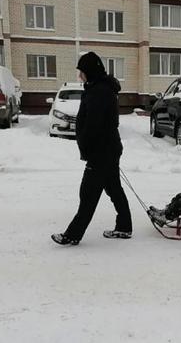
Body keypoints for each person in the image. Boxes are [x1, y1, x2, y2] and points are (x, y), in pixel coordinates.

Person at [51, 52, 132, 246]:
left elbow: (94, 124)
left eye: (82, 72)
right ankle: (124, 227)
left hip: (101, 150)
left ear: (90, 71)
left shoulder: (99, 91)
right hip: (107, 148)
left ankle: (73, 234)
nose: (80, 76)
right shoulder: (99, 88)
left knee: (88, 193)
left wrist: (88, 148)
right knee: (113, 188)